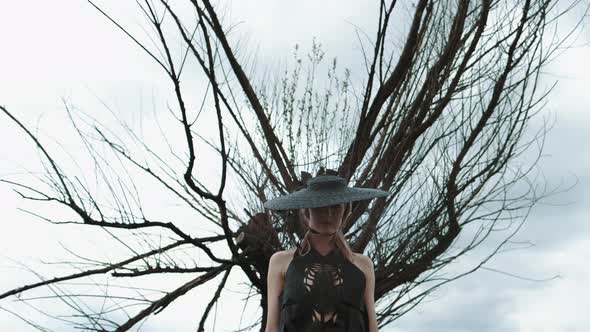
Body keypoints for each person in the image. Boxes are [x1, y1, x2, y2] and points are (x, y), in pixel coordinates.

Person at [263, 174, 390, 332]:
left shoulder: (363, 265)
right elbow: (271, 328)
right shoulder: (281, 261)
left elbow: (372, 328)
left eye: (336, 206)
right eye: (320, 207)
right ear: (307, 211)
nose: (328, 214)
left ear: (345, 211)